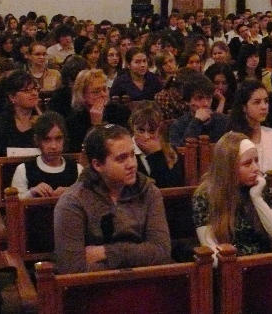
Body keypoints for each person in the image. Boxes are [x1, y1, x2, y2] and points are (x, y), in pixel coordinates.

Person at [54, 124, 170, 274]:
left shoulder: (148, 191)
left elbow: (161, 252)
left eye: (132, 154)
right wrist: (139, 257)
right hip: (94, 291)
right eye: (121, 158)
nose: (132, 164)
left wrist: (105, 252)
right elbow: (72, 268)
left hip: (147, 284)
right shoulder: (73, 202)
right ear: (97, 165)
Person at [192, 131, 272, 261]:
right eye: (247, 163)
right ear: (228, 167)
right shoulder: (205, 194)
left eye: (256, 161)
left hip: (263, 262)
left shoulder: (259, 187)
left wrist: (257, 198)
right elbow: (211, 251)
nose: (256, 168)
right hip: (229, 266)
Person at [228, 80, 272, 178]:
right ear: (244, 107)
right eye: (257, 102)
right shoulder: (232, 140)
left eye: (266, 101)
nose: (264, 107)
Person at [11, 112, 82, 198]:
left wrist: (71, 192)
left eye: (58, 139)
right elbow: (14, 206)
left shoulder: (77, 169)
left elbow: (87, 204)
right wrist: (31, 193)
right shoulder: (23, 170)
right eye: (47, 140)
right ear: (37, 140)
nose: (53, 146)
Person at [0, 70, 40, 158]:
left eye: (35, 89)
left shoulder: (45, 121)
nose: (34, 93)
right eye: (27, 90)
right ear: (12, 97)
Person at [131, 102, 184, 188]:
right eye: (141, 131)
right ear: (132, 127)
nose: (146, 137)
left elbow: (174, 186)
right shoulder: (127, 152)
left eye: (152, 131)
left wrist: (156, 155)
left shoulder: (171, 151)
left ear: (159, 129)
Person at [169, 75, 228, 149]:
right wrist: (196, 121)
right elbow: (180, 154)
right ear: (187, 101)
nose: (206, 104)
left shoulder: (224, 120)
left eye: (209, 98)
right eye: (199, 98)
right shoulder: (178, 125)